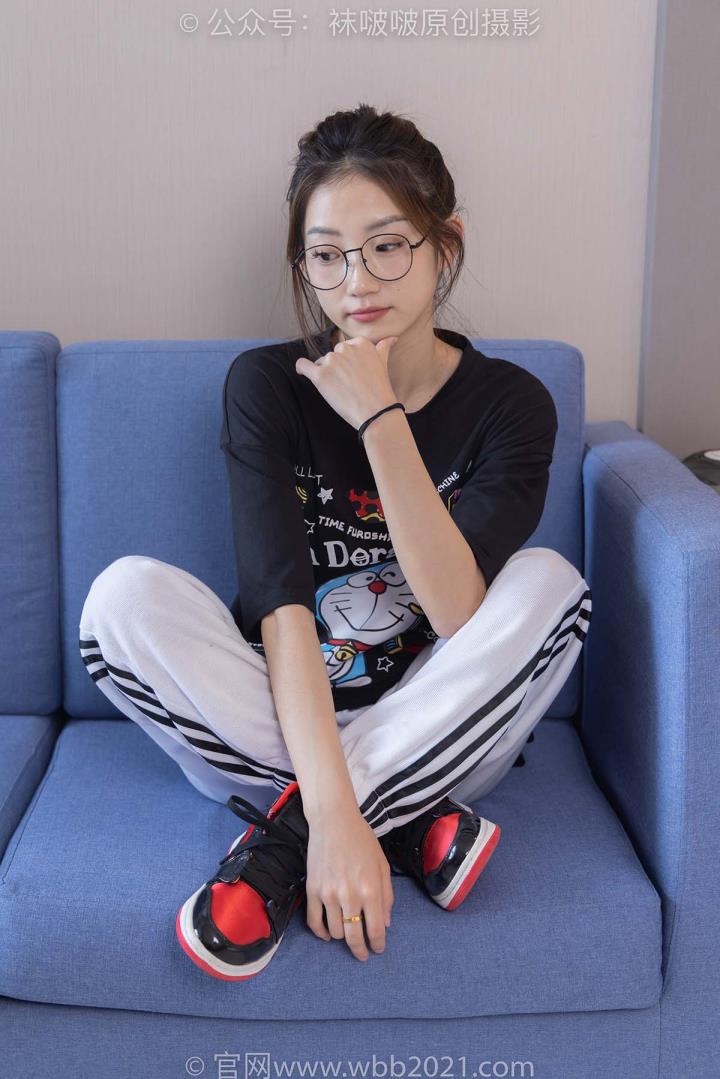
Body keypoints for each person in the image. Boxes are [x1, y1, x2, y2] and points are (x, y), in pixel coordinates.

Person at [78, 103, 592, 983]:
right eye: (326, 255)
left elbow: (457, 612)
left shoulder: (512, 405)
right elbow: (279, 606)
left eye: (387, 245)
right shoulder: (267, 384)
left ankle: (282, 843)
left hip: (439, 718)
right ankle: (401, 820)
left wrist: (379, 414)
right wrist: (337, 807)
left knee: (552, 584)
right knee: (120, 598)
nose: (357, 283)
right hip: (280, 720)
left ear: (446, 246)